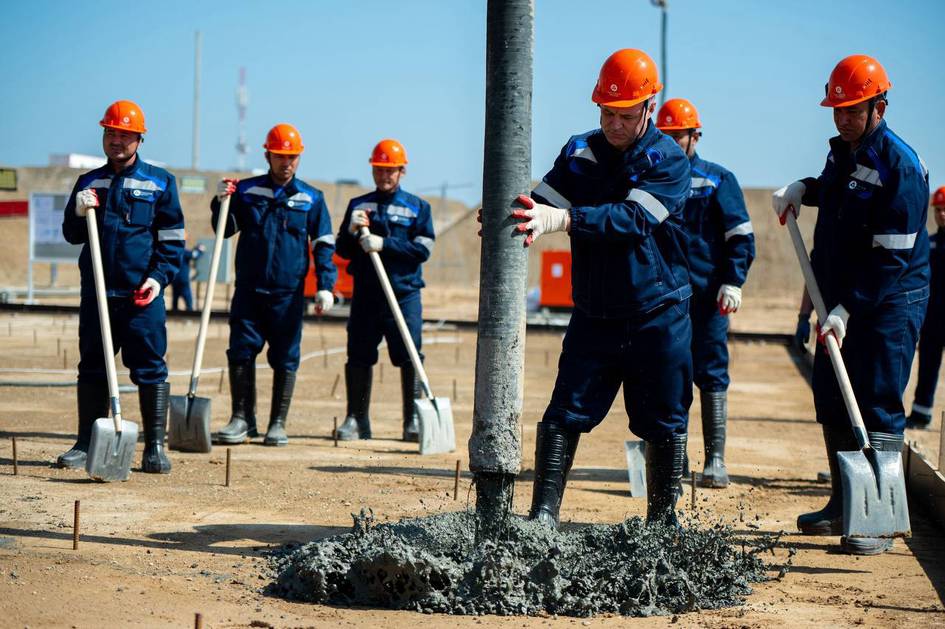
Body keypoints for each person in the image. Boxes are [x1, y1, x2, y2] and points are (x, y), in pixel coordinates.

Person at [517, 49, 693, 528]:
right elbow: (544, 199)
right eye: (607, 113)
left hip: (656, 314)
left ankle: (662, 523)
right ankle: (542, 519)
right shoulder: (581, 151)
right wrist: (511, 215)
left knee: (663, 421)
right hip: (596, 314)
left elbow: (633, 220)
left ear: (649, 108)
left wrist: (566, 220)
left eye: (626, 115)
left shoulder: (668, 161)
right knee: (564, 412)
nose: (614, 124)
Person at [772, 55, 930, 555]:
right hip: (841, 295)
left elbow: (890, 259)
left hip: (891, 300)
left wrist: (846, 311)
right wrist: (804, 188)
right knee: (833, 396)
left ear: (878, 106)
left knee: (878, 400)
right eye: (837, 110)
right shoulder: (843, 151)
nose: (842, 119)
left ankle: (877, 521)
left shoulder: (900, 166)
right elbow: (841, 194)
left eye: (853, 111)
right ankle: (845, 503)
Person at [59, 99, 185, 474]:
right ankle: (85, 443)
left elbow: (173, 240)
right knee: (94, 368)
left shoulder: (161, 182)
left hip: (140, 295)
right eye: (111, 133)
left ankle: (155, 447)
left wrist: (158, 279)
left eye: (125, 135)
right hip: (97, 293)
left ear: (139, 139)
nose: (117, 141)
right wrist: (79, 213)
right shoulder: (87, 182)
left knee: (149, 368)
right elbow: (71, 234)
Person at [212, 123, 336, 447]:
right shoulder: (247, 191)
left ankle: (277, 423)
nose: (287, 163)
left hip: (287, 295)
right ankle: (242, 419)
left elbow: (323, 244)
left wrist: (326, 285)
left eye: (292, 157)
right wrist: (220, 202)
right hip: (249, 291)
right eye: (280, 156)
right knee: (241, 351)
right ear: (267, 154)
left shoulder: (312, 198)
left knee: (285, 357)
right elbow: (224, 229)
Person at [656, 97, 755, 489]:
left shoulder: (717, 180)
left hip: (710, 296)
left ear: (694, 136)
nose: (670, 144)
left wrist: (734, 280)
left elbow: (740, 236)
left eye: (677, 137)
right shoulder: (655, 181)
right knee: (671, 373)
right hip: (668, 296)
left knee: (711, 371)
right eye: (664, 137)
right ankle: (674, 457)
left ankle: (715, 458)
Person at [333, 139, 435, 443]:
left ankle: (412, 421)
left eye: (389, 170)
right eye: (379, 169)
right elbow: (342, 249)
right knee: (359, 356)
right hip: (366, 295)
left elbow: (422, 250)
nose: (384, 175)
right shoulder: (358, 205)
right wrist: (352, 232)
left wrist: (384, 244)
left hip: (404, 295)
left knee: (410, 357)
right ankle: (357, 419)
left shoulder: (418, 207)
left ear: (401, 171)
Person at [906, 186, 945, 429]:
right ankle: (921, 412)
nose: (942, 214)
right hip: (932, 317)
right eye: (938, 210)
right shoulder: (928, 245)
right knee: (928, 364)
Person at [170, 243, 205, 311]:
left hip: (174, 278)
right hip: (183, 279)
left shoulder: (173, 251)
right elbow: (195, 255)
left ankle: (174, 310)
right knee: (187, 297)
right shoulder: (184, 252)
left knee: (175, 296)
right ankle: (189, 310)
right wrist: (200, 250)